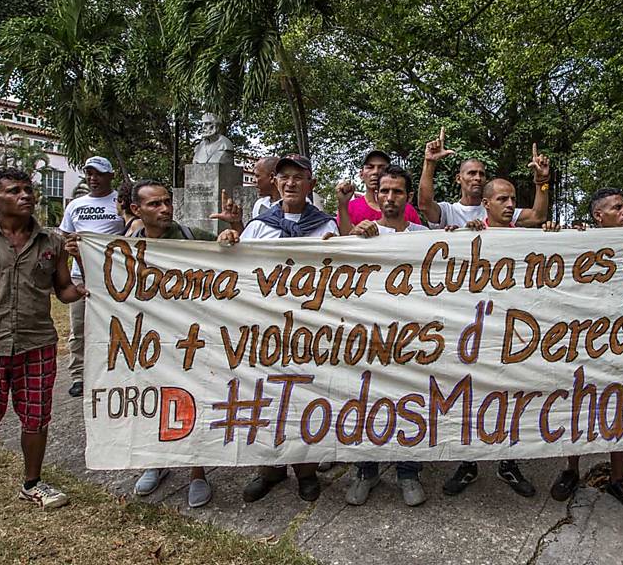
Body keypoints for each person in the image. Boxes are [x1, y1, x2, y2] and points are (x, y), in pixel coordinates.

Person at [0, 168, 88, 532]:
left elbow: (63, 291)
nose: (26, 195)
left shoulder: (53, 243)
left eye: (28, 190)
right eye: (14, 190)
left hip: (37, 345)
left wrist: (87, 283)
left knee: (37, 420)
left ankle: (32, 483)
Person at [218, 154, 334, 503]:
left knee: (305, 397)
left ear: (309, 183)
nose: (291, 183)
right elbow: (239, 272)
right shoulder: (258, 226)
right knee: (266, 398)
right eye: (284, 177)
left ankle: (307, 471)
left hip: (310, 329)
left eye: (298, 177)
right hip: (267, 329)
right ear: (276, 182)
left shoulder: (327, 228)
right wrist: (229, 238)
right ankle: (268, 470)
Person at [441, 176, 550, 498]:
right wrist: (453, 239)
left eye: (513, 198)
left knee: (510, 397)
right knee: (469, 397)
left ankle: (508, 463)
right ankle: (468, 463)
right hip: (473, 335)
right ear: (486, 204)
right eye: (502, 199)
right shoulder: (469, 235)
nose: (510, 204)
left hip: (512, 336)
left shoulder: (526, 237)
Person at [120, 180, 219, 508]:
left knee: (190, 401)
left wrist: (232, 230)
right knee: (151, 400)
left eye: (167, 202)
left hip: (187, 337)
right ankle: (157, 462)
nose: (164, 209)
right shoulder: (124, 245)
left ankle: (197, 472)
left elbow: (235, 254)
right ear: (137, 210)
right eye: (154, 204)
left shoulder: (191, 237)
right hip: (145, 338)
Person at [548, 188, 623, 514]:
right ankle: (571, 470)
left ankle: (617, 478)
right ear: (598, 216)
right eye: (617, 207)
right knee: (578, 402)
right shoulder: (578, 241)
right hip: (583, 338)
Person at [338, 165, 428, 507]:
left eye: (398, 192)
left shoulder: (424, 235)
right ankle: (366, 470)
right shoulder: (364, 233)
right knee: (365, 401)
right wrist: (349, 233)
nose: (390, 198)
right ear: (376, 195)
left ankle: (409, 471)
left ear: (407, 198)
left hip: (411, 336)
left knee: (410, 403)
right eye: (384, 191)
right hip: (368, 337)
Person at [59, 156, 125, 397]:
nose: (93, 178)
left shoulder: (121, 202)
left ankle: (113, 372)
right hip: (80, 276)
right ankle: (79, 375)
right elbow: (64, 237)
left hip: (114, 278)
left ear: (110, 176)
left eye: (98, 173)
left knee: (114, 327)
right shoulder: (75, 205)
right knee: (79, 328)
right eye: (89, 173)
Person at [418, 128, 550, 228]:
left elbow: (537, 216)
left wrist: (542, 181)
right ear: (458, 178)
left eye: (482, 174)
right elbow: (425, 205)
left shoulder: (498, 209)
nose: (477, 178)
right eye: (471, 173)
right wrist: (430, 162)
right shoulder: (448, 211)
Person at [344, 150, 423, 227]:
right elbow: (344, 238)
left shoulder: (408, 210)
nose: (376, 172)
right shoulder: (348, 208)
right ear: (361, 174)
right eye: (370, 167)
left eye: (382, 168)